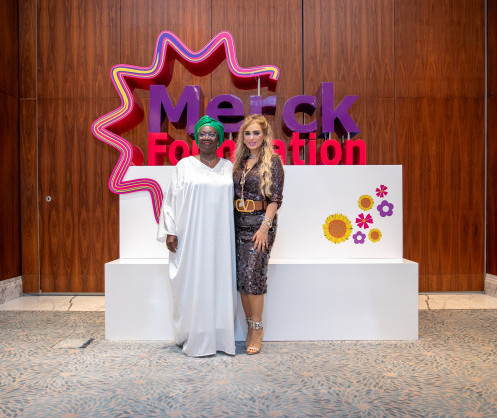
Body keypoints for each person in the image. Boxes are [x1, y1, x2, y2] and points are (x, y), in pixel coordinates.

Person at [157, 116, 236, 357]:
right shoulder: (184, 166)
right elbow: (170, 199)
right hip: (191, 237)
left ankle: (220, 337)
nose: (207, 137)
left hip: (222, 239)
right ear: (197, 138)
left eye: (212, 134)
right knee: (192, 282)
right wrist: (170, 231)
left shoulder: (229, 168)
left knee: (220, 282)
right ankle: (193, 334)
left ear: (219, 139)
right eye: (203, 133)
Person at [233, 114, 284, 355]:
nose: (252, 137)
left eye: (256, 133)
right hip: (238, 224)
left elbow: (275, 199)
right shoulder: (239, 162)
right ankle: (249, 326)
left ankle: (257, 329)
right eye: (247, 133)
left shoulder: (273, 161)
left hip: (260, 225)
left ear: (264, 136)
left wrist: (264, 227)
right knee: (242, 279)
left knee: (253, 276)